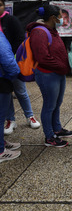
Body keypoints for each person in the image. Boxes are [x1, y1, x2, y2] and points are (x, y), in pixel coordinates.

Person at [28, 5, 72, 147]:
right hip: (47, 74)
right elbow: (42, 58)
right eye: (60, 16)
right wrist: (61, 66)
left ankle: (57, 129)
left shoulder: (52, 30)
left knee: (56, 103)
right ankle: (49, 137)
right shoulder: (39, 32)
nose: (61, 19)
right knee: (49, 105)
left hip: (58, 73)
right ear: (53, 18)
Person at [0, 0, 41, 135]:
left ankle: (30, 116)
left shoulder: (11, 20)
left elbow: (20, 41)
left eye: (0, 5)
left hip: (12, 63)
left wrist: (11, 59)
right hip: (1, 67)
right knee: (6, 93)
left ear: (4, 6)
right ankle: (10, 120)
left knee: (21, 91)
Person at [0, 31, 21, 162]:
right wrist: (15, 74)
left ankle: (1, 142)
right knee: (0, 116)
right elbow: (6, 58)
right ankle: (1, 150)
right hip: (2, 79)